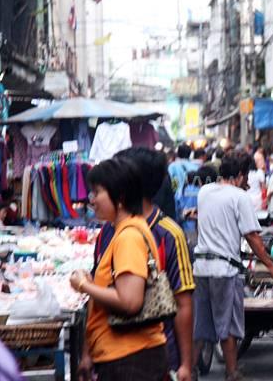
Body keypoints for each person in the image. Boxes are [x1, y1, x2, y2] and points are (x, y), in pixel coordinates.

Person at [93, 148, 195, 381]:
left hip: (154, 357)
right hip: (110, 355)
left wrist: (186, 364)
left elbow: (184, 303)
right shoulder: (108, 230)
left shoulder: (170, 234)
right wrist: (89, 355)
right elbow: (98, 297)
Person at [70, 158, 167, 381]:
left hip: (130, 358)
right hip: (126, 355)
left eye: (97, 192)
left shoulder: (129, 237)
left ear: (120, 196)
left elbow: (129, 301)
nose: (92, 200)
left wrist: (84, 286)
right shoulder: (125, 231)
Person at [193, 155, 273, 381]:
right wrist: (271, 267)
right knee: (228, 324)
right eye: (246, 178)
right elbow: (252, 236)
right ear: (240, 175)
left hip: (201, 267)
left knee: (200, 323)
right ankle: (232, 372)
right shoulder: (239, 197)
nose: (248, 184)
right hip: (224, 269)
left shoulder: (204, 192)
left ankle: (187, 370)